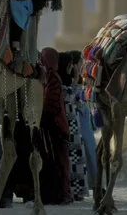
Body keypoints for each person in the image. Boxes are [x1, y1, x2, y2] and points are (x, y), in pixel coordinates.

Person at [38, 47, 72, 205]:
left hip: (55, 125)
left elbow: (52, 103)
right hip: (55, 124)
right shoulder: (50, 77)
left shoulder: (53, 78)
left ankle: (62, 195)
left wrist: (41, 113)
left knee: (59, 161)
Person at [67, 50, 100, 198]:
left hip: (85, 125)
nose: (82, 65)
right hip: (76, 125)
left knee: (91, 155)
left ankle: (96, 185)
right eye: (79, 62)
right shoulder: (69, 81)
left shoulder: (82, 79)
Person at [58, 52, 88, 200]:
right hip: (65, 125)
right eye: (70, 65)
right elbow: (67, 98)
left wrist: (79, 83)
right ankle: (69, 190)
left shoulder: (70, 82)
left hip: (74, 125)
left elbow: (80, 104)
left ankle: (78, 192)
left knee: (77, 160)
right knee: (70, 160)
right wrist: (76, 82)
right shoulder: (59, 82)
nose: (71, 68)